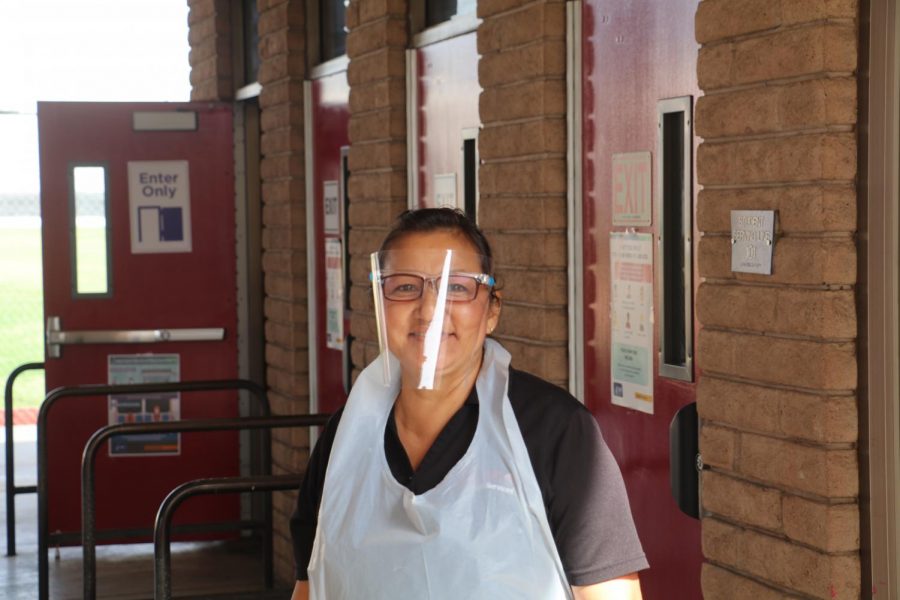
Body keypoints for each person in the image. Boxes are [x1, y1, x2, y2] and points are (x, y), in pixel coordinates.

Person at [290, 208, 647, 599]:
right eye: (405, 287)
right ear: (380, 303)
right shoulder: (347, 437)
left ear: (492, 309)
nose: (430, 309)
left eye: (457, 287)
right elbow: (312, 586)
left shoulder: (554, 431)